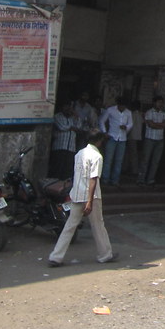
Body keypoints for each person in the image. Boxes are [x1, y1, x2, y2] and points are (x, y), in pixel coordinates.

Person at [47, 131, 117, 267]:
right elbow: (93, 179)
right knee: (98, 225)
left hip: (77, 194)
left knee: (69, 226)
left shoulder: (79, 154)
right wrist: (90, 201)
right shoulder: (97, 156)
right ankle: (105, 254)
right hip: (92, 196)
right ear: (99, 141)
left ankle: (56, 256)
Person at [98, 99, 132, 186]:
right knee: (108, 160)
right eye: (121, 106)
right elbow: (102, 120)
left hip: (122, 138)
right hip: (111, 137)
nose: (122, 107)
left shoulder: (128, 112)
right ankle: (105, 180)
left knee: (119, 161)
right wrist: (105, 132)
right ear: (118, 105)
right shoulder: (111, 110)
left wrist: (126, 127)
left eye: (124, 106)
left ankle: (115, 180)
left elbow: (131, 124)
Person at [139, 95, 165, 185]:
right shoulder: (149, 112)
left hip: (160, 139)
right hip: (150, 139)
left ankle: (150, 179)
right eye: (159, 102)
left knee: (156, 161)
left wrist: (156, 124)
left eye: (162, 102)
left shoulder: (163, 113)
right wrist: (161, 125)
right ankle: (141, 179)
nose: (161, 104)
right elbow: (151, 125)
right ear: (154, 103)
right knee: (145, 159)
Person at [49, 101, 77, 179]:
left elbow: (79, 126)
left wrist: (76, 116)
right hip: (60, 146)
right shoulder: (57, 116)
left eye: (69, 107)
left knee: (67, 168)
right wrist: (71, 128)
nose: (68, 109)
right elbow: (62, 127)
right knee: (57, 167)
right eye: (66, 107)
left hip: (71, 147)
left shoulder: (72, 118)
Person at [124, 100, 143, 183]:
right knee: (134, 154)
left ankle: (133, 170)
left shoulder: (132, 114)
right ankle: (132, 169)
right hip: (138, 136)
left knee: (132, 154)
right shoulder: (140, 114)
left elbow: (130, 126)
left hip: (132, 136)